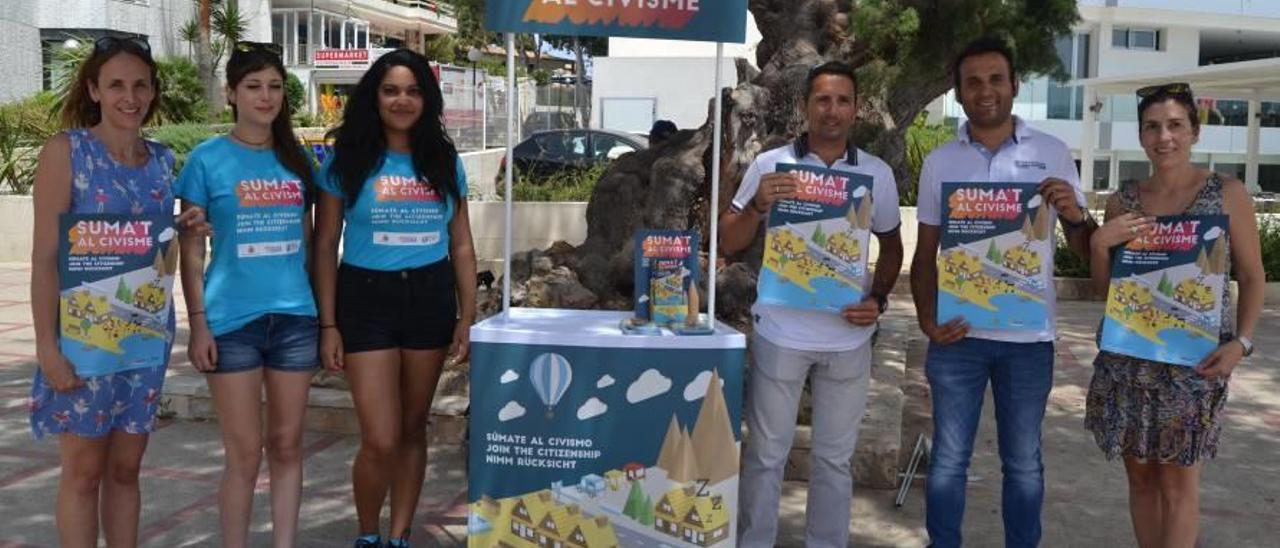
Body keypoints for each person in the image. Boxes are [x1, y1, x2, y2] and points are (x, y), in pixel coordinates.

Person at [909, 37, 1095, 548]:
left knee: (1025, 464)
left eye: (996, 79)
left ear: (1015, 85)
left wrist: (1075, 213)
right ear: (959, 92)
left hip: (1029, 341)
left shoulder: (1052, 153)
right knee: (947, 461)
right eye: (973, 81)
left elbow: (1084, 246)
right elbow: (924, 256)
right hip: (957, 339)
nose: (985, 90)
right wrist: (927, 320)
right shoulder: (941, 163)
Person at [27, 36, 207, 547]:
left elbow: (148, 246)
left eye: (140, 85)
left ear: (153, 92)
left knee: (127, 473)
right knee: (83, 475)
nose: (130, 96)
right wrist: (47, 348)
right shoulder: (68, 152)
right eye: (116, 85)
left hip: (142, 340)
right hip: (82, 345)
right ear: (94, 90)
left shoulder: (160, 160)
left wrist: (182, 225)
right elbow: (44, 258)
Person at [720, 60, 904, 548]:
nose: (832, 110)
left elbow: (893, 246)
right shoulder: (769, 165)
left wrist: (879, 299)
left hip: (848, 336)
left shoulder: (876, 173)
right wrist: (758, 205)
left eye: (843, 100)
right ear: (805, 107)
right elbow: (728, 240)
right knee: (765, 456)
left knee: (833, 460)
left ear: (856, 109)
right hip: (781, 332)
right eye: (822, 99)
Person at [1084, 83, 1264, 548]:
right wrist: (1100, 243)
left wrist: (1240, 344)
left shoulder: (1227, 193)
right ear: (1141, 135)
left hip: (1194, 366)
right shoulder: (1124, 201)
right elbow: (1109, 294)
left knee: (1180, 485)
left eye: (1175, 125)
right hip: (1130, 363)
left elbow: (1253, 276)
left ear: (1194, 132)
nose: (1164, 136)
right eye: (1152, 127)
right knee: (1141, 480)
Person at [313, 49, 477, 548]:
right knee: (380, 438)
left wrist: (466, 317)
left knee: (411, 429)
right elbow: (323, 245)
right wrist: (328, 324)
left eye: (413, 91)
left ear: (426, 99)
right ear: (373, 97)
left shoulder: (443, 160)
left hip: (429, 294)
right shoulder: (347, 159)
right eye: (390, 90)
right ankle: (368, 533)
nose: (402, 100)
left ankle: (400, 535)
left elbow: (463, 244)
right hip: (364, 298)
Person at [174, 42, 319, 548]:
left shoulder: (298, 161)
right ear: (232, 93)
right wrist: (198, 324)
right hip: (230, 323)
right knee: (244, 453)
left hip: (295, 322)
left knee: (286, 446)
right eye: (254, 86)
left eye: (275, 86)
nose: (266, 96)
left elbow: (307, 245)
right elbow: (190, 249)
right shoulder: (206, 160)